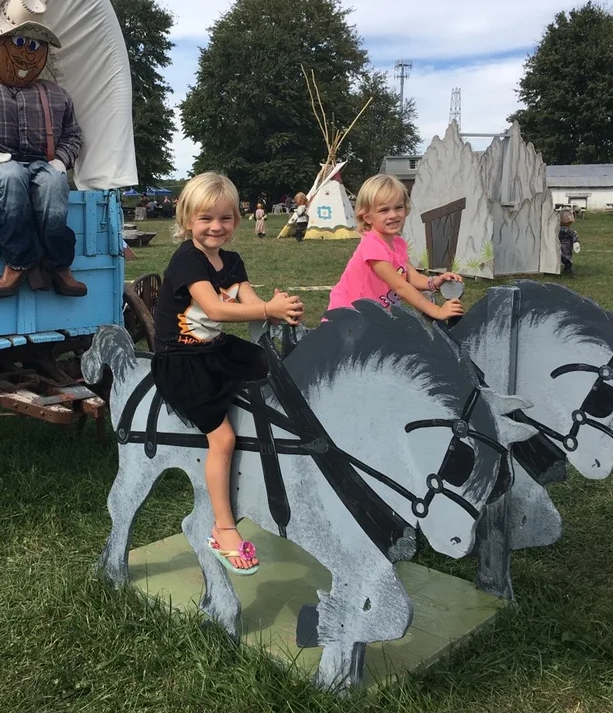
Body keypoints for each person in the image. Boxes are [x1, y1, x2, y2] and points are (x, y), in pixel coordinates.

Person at [152, 172, 304, 574]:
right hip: (182, 361)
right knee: (222, 438)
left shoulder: (232, 261)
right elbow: (217, 310)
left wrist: (277, 307)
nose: (215, 227)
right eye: (205, 219)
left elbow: (248, 300)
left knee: (277, 372)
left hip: (215, 349)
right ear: (187, 221)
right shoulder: (187, 259)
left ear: (237, 220)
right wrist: (266, 309)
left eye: (224, 218)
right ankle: (223, 529)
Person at [0, 0, 87, 298]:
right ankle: (17, 262)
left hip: (41, 163)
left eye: (35, 46)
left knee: (55, 183)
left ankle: (59, 264)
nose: (27, 54)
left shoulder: (56, 95)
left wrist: (61, 160)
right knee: (9, 176)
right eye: (19, 42)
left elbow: (73, 136)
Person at [326, 175, 463, 319]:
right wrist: (437, 311)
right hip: (347, 317)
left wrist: (434, 282)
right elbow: (401, 287)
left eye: (398, 207)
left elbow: (411, 276)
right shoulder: (372, 246)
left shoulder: (398, 243)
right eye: (384, 210)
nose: (393, 215)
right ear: (367, 217)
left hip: (372, 317)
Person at [559, 209, 580, 274]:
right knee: (566, 258)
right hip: (565, 246)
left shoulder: (557, 230)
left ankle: (567, 268)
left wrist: (575, 242)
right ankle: (567, 268)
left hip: (562, 246)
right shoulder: (571, 231)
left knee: (563, 257)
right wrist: (575, 241)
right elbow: (574, 235)